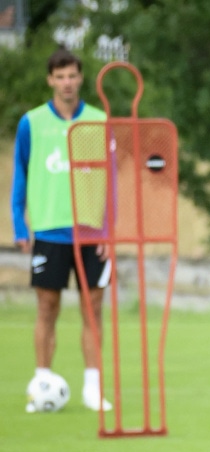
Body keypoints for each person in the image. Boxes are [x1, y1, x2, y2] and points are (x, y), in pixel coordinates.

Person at [11, 47, 111, 412]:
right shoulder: (32, 122)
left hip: (91, 232)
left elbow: (112, 181)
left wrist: (109, 231)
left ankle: (92, 389)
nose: (67, 83)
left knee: (93, 309)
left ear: (80, 78)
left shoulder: (99, 121)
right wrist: (19, 223)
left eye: (73, 75)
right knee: (47, 307)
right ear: (50, 80)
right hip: (50, 231)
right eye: (60, 76)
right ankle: (42, 384)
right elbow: (20, 173)